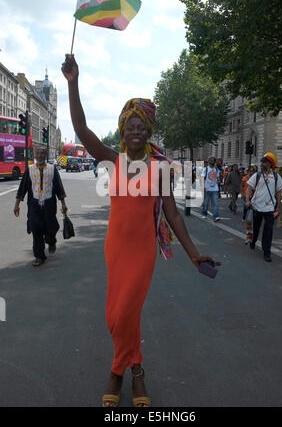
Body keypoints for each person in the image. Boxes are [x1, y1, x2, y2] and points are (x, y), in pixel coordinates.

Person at [61, 54, 215, 408]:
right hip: (115, 249)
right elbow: (83, 130)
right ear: (122, 130)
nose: (135, 132)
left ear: (149, 132)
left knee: (125, 312)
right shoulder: (112, 161)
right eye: (130, 126)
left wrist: (193, 254)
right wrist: (73, 84)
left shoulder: (160, 170)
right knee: (115, 315)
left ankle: (119, 373)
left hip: (143, 252)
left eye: (141, 127)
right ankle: (136, 368)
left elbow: (174, 216)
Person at [13, 147, 68, 266]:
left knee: (51, 228)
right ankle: (39, 256)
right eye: (38, 153)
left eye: (42, 153)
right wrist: (17, 205)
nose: (40, 155)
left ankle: (51, 241)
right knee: (35, 228)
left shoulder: (52, 169)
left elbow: (59, 188)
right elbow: (22, 188)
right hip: (34, 204)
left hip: (49, 204)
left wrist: (63, 204)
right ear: (35, 155)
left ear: (46, 155)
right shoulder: (30, 169)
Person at [245, 152, 282, 262]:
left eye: (265, 162)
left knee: (268, 231)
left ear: (270, 164)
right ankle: (253, 241)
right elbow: (248, 188)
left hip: (269, 208)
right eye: (262, 162)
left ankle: (267, 252)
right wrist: (247, 200)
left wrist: (278, 208)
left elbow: (279, 193)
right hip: (257, 207)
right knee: (256, 228)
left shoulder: (276, 177)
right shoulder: (257, 175)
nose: (262, 164)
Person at [201, 157, 221, 222]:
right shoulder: (205, 169)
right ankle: (204, 214)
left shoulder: (216, 169)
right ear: (209, 161)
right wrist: (203, 187)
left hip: (215, 189)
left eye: (213, 160)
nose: (212, 161)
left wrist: (219, 182)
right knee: (206, 203)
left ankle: (216, 216)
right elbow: (202, 178)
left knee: (215, 203)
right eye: (211, 160)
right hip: (207, 188)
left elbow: (217, 178)